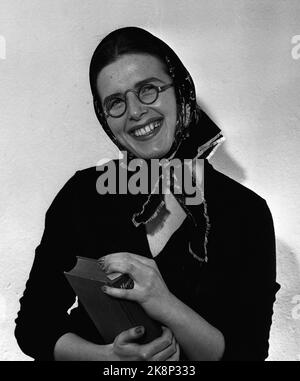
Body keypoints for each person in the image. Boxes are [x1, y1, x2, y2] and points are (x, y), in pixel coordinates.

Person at [15, 27, 280, 361]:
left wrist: (163, 302)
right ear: (104, 116)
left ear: (180, 90)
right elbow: (33, 326)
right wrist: (108, 359)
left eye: (149, 90)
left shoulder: (245, 212)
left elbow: (248, 353)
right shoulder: (82, 196)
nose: (135, 112)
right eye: (115, 102)